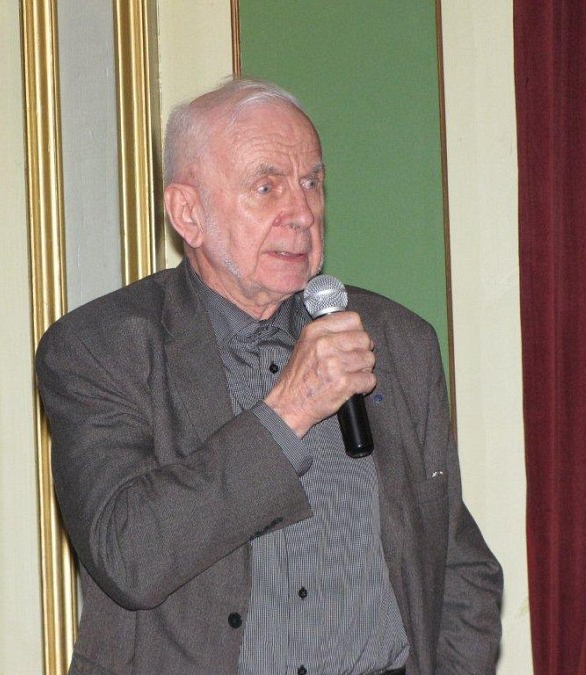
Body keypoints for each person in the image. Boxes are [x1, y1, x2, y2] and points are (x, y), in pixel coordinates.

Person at [36, 78, 502, 675]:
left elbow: (457, 564)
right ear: (188, 213)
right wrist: (288, 413)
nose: (303, 213)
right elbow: (130, 555)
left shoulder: (396, 341)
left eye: (311, 183)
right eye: (267, 186)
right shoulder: (101, 348)